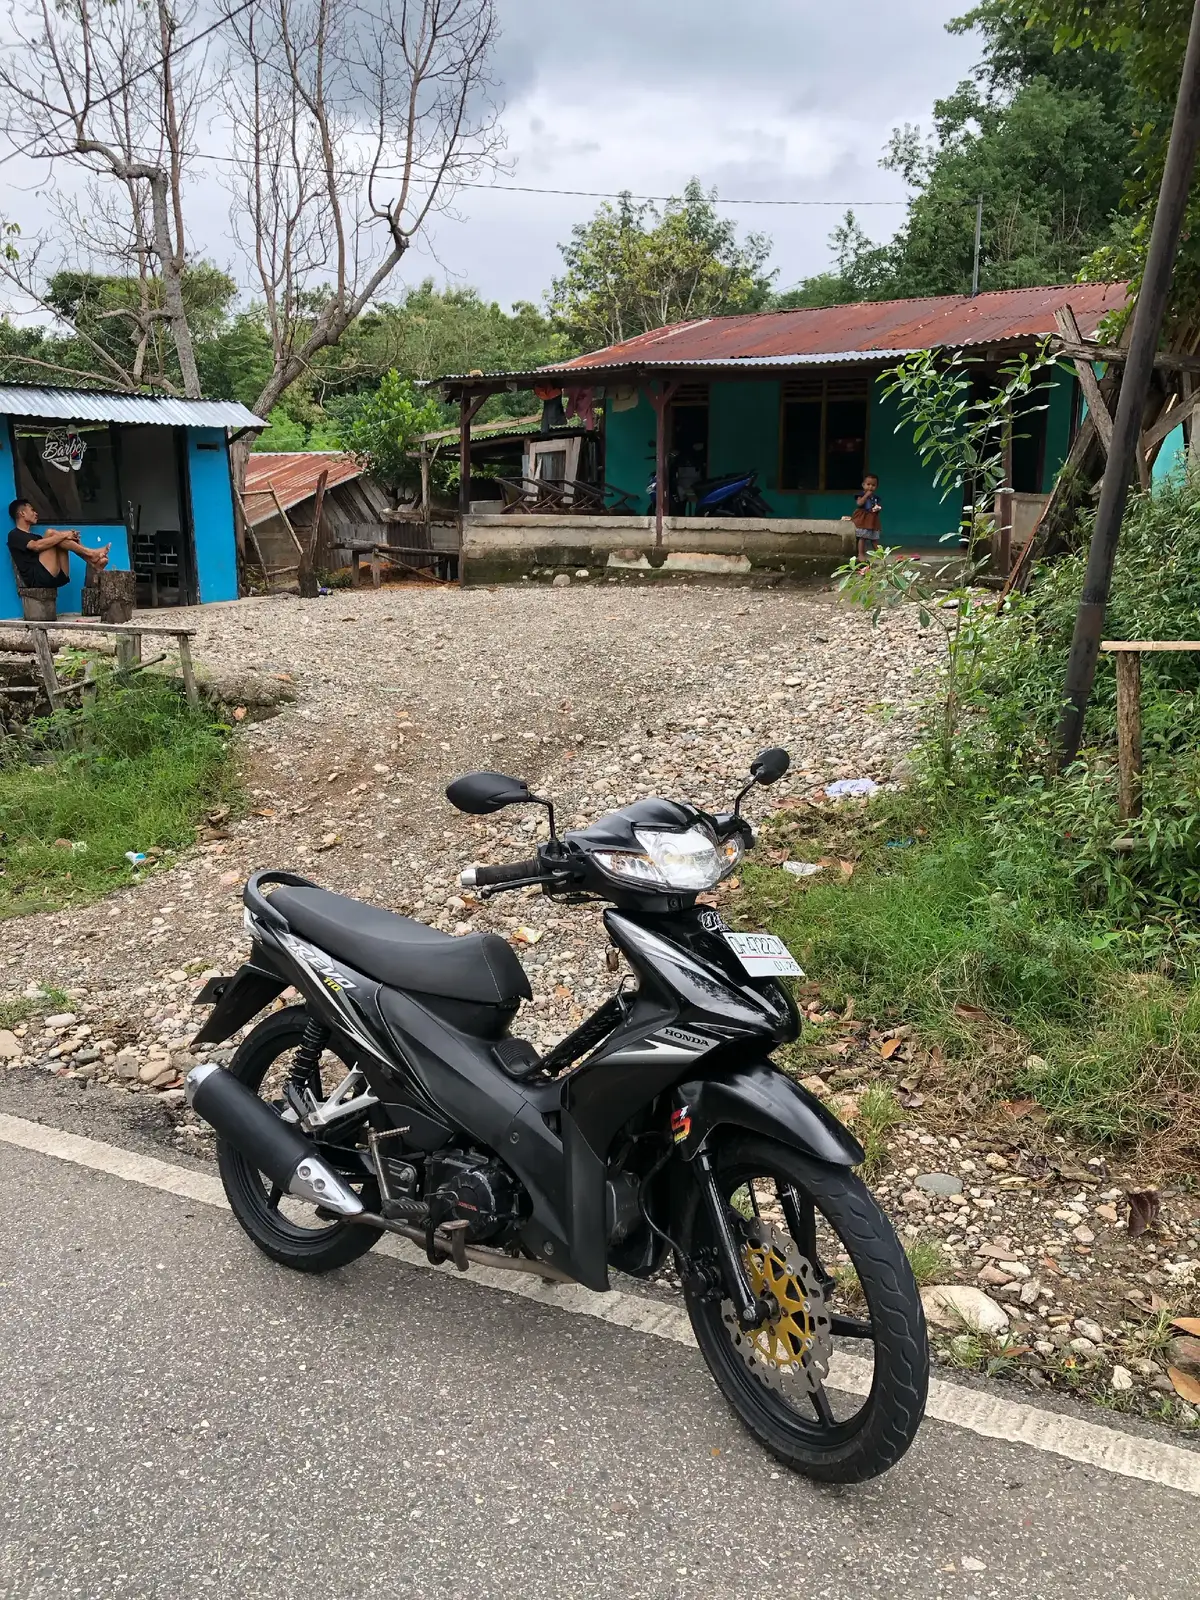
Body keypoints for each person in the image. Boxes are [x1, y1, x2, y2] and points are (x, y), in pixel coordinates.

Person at [7, 499, 110, 591]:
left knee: (56, 537)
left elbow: (47, 542)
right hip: (38, 579)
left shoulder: (37, 537)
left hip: (59, 576)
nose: (36, 513)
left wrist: (71, 539)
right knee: (51, 533)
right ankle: (91, 556)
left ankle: (90, 557)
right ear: (22, 513)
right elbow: (35, 546)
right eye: (32, 510)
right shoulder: (15, 535)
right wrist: (66, 535)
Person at [852, 474, 883, 562]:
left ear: (876, 487)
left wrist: (877, 508)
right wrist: (866, 495)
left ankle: (880, 554)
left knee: (874, 538)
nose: (870, 487)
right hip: (863, 519)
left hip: (872, 519)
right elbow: (859, 504)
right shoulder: (861, 495)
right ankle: (861, 554)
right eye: (868, 484)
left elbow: (876, 506)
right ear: (863, 485)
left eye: (873, 485)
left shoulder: (876, 498)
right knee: (863, 537)